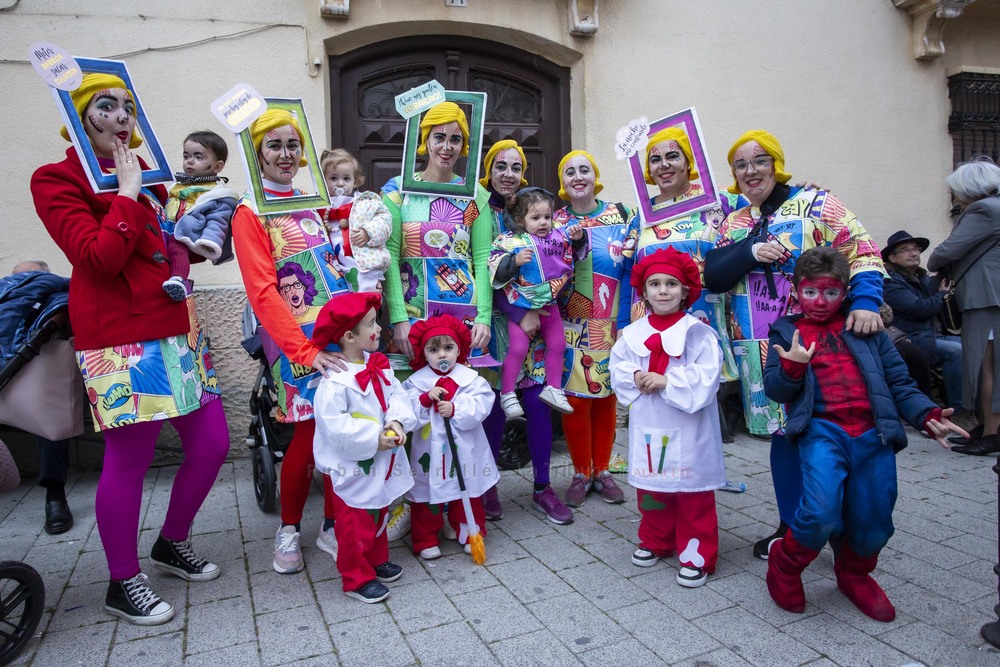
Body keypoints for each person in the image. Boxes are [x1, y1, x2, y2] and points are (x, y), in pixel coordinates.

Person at [31, 73, 230, 625]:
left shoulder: (151, 181)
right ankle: (123, 581)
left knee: (213, 443)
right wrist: (122, 192)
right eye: (106, 105)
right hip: (121, 341)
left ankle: (171, 542)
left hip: (177, 330)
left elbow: (163, 246)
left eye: (127, 106)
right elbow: (96, 258)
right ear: (78, 115)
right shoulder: (55, 179)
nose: (121, 115)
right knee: (131, 461)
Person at [704, 130, 885, 560]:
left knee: (829, 433)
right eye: (741, 164)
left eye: (760, 161)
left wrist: (864, 302)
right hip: (760, 350)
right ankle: (791, 528)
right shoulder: (734, 221)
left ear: (777, 164)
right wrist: (751, 250)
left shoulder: (818, 204)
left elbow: (863, 251)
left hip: (822, 346)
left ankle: (843, 531)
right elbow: (713, 275)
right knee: (782, 437)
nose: (751, 171)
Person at [762, 247, 966, 621]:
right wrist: (791, 369)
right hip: (822, 432)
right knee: (820, 513)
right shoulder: (786, 330)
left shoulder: (865, 328)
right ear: (797, 291)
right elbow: (775, 389)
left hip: (874, 434)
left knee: (875, 522)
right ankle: (785, 564)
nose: (820, 302)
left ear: (844, 293)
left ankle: (853, 573)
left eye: (830, 293)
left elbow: (899, 381)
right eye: (810, 292)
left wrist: (926, 413)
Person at [232, 109, 351, 575]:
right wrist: (303, 351)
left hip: (337, 336)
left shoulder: (312, 200)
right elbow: (263, 292)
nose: (286, 154)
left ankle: (333, 525)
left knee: (340, 429)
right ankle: (289, 528)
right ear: (258, 153)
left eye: (292, 146)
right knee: (304, 434)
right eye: (275, 146)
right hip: (295, 345)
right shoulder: (249, 210)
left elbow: (336, 262)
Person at [610, 248, 725, 588]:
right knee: (652, 487)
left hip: (688, 426)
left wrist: (667, 380)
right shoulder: (632, 333)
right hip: (652, 422)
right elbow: (619, 366)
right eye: (655, 284)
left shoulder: (698, 333)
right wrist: (634, 376)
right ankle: (656, 539)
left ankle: (696, 553)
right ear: (643, 292)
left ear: (685, 290)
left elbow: (707, 377)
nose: (663, 291)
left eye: (671, 284)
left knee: (692, 490)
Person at [475, 139, 572, 524]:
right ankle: (488, 488)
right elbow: (482, 272)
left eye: (516, 167)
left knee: (537, 405)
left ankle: (543, 488)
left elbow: (558, 262)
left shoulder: (536, 210)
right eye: (500, 166)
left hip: (538, 319)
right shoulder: (479, 211)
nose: (508, 174)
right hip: (499, 324)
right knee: (496, 408)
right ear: (489, 170)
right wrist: (517, 313)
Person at [310, 291, 415, 603]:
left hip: (382, 459)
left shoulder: (378, 364)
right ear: (349, 336)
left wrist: (396, 422)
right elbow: (334, 425)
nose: (379, 328)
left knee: (378, 510)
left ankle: (375, 558)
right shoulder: (335, 382)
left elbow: (397, 395)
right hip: (354, 464)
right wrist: (374, 438)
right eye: (372, 323)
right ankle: (356, 576)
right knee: (355, 520)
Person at [552, 150, 634, 507]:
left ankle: (602, 470)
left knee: (607, 397)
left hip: (614, 319)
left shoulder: (623, 214)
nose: (578, 176)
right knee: (576, 400)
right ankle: (580, 471)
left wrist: (630, 321)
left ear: (595, 175)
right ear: (563, 183)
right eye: (570, 172)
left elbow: (633, 267)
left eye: (585, 169)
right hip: (570, 322)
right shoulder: (553, 221)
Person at [401, 315, 498, 559]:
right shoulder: (417, 382)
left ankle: (469, 531)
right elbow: (404, 410)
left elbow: (483, 404)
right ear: (424, 353)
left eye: (448, 348)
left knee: (468, 489)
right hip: (429, 452)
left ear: (459, 350)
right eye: (434, 350)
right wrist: (424, 400)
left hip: (465, 449)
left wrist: (457, 409)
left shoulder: (470, 379)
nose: (441, 355)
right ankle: (425, 538)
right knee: (426, 493)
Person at [490, 187, 584, 417]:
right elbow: (495, 265)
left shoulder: (558, 236)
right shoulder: (512, 241)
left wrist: (579, 238)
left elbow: (576, 248)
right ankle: (507, 393)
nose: (543, 222)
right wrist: (514, 261)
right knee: (518, 348)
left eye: (547, 217)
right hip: (521, 305)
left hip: (548, 305)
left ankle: (553, 387)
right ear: (521, 220)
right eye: (535, 218)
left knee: (558, 344)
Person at [928, 158, 1000, 455]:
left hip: (986, 298)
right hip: (990, 296)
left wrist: (934, 262)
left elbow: (947, 250)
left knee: (987, 367)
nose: (955, 197)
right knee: (988, 365)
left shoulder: (984, 209)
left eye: (956, 190)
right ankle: (985, 427)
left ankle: (992, 432)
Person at [10, 260, 74, 535]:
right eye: (20, 278)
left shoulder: (58, 300)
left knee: (51, 406)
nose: (26, 281)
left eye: (33, 275)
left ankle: (55, 495)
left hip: (40, 382)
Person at [881, 230, 963, 410]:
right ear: (892, 258)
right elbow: (918, 309)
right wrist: (942, 295)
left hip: (933, 335)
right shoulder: (890, 282)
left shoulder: (922, 278)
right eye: (905, 250)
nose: (914, 253)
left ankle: (974, 405)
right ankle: (958, 410)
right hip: (912, 339)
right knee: (956, 351)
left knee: (973, 347)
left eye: (916, 249)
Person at [163, 131, 239, 300]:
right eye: (186, 156)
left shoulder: (218, 194)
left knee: (177, 247)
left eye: (198, 157)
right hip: (168, 226)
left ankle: (178, 279)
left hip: (191, 232)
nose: (190, 161)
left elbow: (218, 222)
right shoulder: (178, 185)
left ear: (217, 167)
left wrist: (210, 242)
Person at [320, 148, 391, 292]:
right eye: (334, 178)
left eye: (346, 178)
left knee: (365, 298)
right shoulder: (321, 207)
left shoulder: (365, 202)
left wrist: (368, 232)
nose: (340, 184)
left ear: (355, 180)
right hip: (332, 266)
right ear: (323, 180)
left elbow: (384, 220)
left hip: (362, 264)